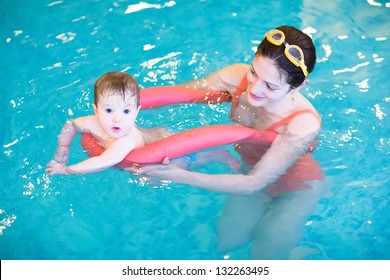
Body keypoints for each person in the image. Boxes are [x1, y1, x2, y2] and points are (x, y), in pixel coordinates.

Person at [130, 26, 326, 259]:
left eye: (271, 86)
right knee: (226, 243)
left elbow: (252, 183)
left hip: (295, 189)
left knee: (265, 254)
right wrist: (128, 122)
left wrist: (175, 174)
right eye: (254, 73)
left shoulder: (302, 123)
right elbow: (179, 94)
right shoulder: (236, 77)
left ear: (298, 86)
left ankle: (295, 257)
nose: (255, 88)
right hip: (247, 169)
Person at [46, 71, 239, 176]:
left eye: (126, 111)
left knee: (159, 175)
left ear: (137, 111)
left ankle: (216, 154)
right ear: (96, 110)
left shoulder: (126, 139)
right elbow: (71, 124)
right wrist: (63, 145)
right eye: (108, 110)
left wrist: (67, 170)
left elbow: (104, 161)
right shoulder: (92, 122)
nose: (117, 118)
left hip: (161, 142)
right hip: (151, 138)